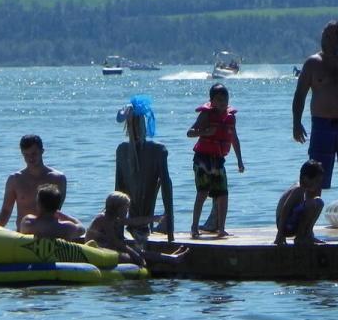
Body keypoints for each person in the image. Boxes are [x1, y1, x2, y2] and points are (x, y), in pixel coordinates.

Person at [292, 20, 338, 235]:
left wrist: (335, 58)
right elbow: (300, 95)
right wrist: (296, 122)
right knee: (314, 176)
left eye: (328, 36)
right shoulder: (313, 63)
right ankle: (308, 228)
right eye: (323, 36)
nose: (323, 40)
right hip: (321, 125)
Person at [187, 82, 244, 239]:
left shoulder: (230, 118)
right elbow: (190, 133)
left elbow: (234, 139)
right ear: (211, 101)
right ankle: (194, 227)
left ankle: (221, 228)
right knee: (203, 192)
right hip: (202, 159)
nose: (222, 103)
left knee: (223, 194)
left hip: (218, 159)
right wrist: (205, 132)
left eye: (225, 99)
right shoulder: (206, 115)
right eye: (218, 100)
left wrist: (239, 160)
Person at [115, 95, 175, 243]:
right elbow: (167, 188)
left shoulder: (123, 150)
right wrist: (170, 236)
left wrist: (118, 234)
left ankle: (138, 228)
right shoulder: (157, 150)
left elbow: (118, 191)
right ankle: (150, 227)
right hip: (141, 220)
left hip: (136, 221)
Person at [86, 192, 188, 265]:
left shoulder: (114, 218)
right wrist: (134, 253)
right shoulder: (104, 219)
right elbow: (115, 242)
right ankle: (172, 258)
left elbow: (134, 221)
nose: (127, 210)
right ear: (116, 208)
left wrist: (154, 218)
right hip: (96, 252)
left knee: (140, 253)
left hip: (107, 249)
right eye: (126, 208)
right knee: (137, 255)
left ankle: (171, 258)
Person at [0, 134, 67, 229]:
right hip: (22, 235)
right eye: (26, 155)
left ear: (42, 151)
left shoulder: (58, 178)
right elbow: (6, 211)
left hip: (49, 233)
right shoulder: (15, 179)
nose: (30, 158)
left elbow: (56, 211)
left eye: (34, 153)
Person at [274, 160, 326, 246]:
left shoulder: (306, 189)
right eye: (316, 181)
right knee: (311, 204)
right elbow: (285, 210)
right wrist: (280, 235)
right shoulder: (298, 189)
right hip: (286, 227)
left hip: (292, 223)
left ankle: (308, 234)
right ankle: (300, 237)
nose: (317, 184)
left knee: (319, 202)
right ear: (305, 178)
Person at [19, 184, 85, 240]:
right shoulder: (66, 227)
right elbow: (82, 229)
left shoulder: (28, 222)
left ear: (39, 204)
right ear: (58, 205)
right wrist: (64, 216)